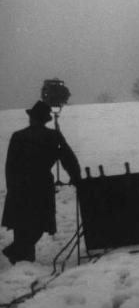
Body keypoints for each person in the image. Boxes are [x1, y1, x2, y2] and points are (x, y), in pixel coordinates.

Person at [1, 101, 81, 264]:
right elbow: (68, 158)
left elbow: (10, 165)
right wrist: (76, 177)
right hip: (41, 185)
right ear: (45, 120)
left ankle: (21, 258)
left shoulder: (18, 136)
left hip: (20, 186)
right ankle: (18, 256)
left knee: (22, 224)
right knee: (38, 224)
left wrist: (11, 187)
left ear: (32, 119)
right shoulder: (53, 136)